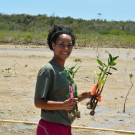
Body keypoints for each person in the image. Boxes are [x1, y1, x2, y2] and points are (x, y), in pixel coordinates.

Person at [34, 24, 94, 135]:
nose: (66, 48)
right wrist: (62, 105)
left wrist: (85, 95)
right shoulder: (48, 70)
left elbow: (67, 100)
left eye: (69, 45)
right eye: (61, 44)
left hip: (66, 126)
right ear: (53, 45)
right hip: (51, 126)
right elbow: (38, 102)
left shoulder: (67, 70)